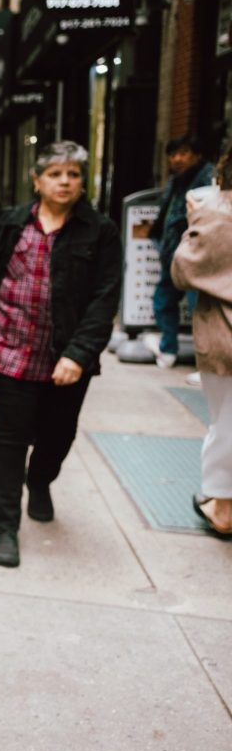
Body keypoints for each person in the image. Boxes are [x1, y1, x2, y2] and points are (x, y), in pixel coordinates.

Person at [0, 141, 121, 568]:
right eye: (55, 174)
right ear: (37, 180)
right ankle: (5, 527)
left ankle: (40, 481)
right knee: (9, 435)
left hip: (65, 359)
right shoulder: (8, 223)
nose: (65, 182)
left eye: (73, 174)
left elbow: (104, 299)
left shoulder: (99, 231)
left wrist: (78, 354)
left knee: (58, 437)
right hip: (9, 350)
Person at [172, 140, 232, 540]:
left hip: (225, 337)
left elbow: (183, 271)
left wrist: (198, 224)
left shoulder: (217, 212)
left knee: (226, 420)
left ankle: (223, 507)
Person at [146, 135, 215, 369]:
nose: (177, 159)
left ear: (197, 155)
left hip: (199, 255)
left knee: (201, 308)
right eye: (173, 154)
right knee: (163, 300)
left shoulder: (209, 179)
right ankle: (168, 350)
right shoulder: (176, 181)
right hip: (173, 254)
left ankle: (207, 360)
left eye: (183, 153)